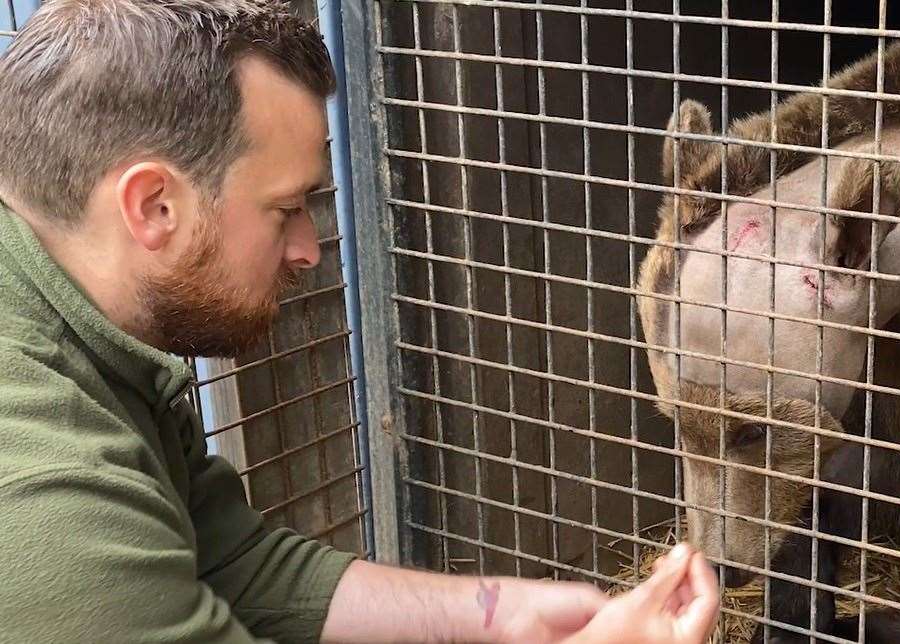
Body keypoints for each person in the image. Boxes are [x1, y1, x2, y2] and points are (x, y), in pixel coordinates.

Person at [0, 1, 719, 643]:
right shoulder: (49, 498)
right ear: (153, 205)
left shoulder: (98, 330)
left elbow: (232, 561)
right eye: (286, 208)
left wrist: (497, 614)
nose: (310, 249)